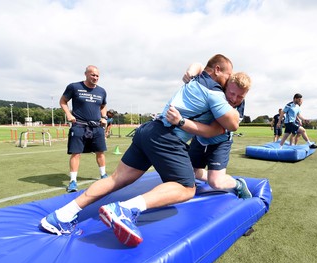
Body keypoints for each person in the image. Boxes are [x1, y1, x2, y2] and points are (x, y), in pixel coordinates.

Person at [39, 54, 246, 247]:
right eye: (228, 75)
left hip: (148, 129)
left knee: (116, 178)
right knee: (186, 188)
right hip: (167, 137)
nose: (229, 80)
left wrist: (192, 69)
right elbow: (234, 124)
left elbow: (199, 65)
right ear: (217, 70)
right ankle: (126, 209)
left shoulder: (196, 78)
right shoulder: (214, 93)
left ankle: (61, 215)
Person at [166, 67, 252, 198]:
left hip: (219, 141)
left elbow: (212, 131)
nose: (234, 99)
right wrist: (192, 71)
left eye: (240, 96)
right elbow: (204, 67)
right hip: (200, 138)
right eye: (232, 93)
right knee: (189, 173)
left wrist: (181, 121)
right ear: (227, 85)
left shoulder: (237, 109)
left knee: (216, 182)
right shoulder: (218, 87)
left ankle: (238, 184)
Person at [60, 65, 109, 193]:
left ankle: (103, 175)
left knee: (100, 151)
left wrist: (104, 117)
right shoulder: (74, 87)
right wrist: (68, 114)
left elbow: (103, 106)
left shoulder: (102, 91)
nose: (95, 77)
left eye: (97, 75)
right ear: (86, 74)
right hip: (79, 125)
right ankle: (73, 181)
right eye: (93, 75)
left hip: (97, 126)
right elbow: (63, 101)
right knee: (76, 153)